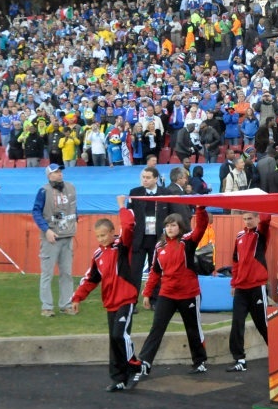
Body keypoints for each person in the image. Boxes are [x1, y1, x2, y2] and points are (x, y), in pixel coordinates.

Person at [128, 208, 210, 387]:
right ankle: (145, 363)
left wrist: (201, 209)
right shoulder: (159, 247)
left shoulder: (187, 241)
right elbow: (155, 272)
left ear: (180, 228)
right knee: (156, 328)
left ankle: (200, 362)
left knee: (193, 328)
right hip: (167, 293)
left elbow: (201, 227)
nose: (170, 229)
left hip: (189, 294)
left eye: (173, 225)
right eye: (167, 226)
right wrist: (147, 293)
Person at [71, 196, 141, 392]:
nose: (101, 239)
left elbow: (128, 225)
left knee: (121, 335)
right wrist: (77, 297)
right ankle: (118, 377)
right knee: (113, 340)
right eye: (98, 237)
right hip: (110, 302)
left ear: (112, 232)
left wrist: (121, 206)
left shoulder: (122, 245)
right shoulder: (98, 255)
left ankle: (135, 367)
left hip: (126, 299)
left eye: (104, 235)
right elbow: (91, 279)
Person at [32, 163, 78, 317]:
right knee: (47, 273)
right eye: (56, 172)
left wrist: (75, 221)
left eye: (60, 171)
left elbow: (73, 207)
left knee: (67, 273)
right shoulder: (43, 191)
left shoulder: (71, 187)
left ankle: (66, 304)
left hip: (67, 236)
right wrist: (46, 230)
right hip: (51, 237)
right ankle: (47, 306)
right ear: (49, 175)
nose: (59, 174)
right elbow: (36, 212)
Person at [227, 212, 271, 372]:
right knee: (236, 324)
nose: (247, 222)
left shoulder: (261, 233)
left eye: (250, 218)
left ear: (257, 218)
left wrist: (260, 205)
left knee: (263, 324)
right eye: (245, 219)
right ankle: (239, 359)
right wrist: (234, 283)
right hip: (240, 288)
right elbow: (235, 261)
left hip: (257, 287)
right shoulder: (239, 236)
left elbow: (266, 220)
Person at [127, 167, 172, 308]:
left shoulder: (166, 194)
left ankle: (154, 300)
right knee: (135, 271)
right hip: (139, 238)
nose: (145, 180)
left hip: (158, 238)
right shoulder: (135, 193)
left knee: (156, 270)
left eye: (148, 177)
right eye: (143, 177)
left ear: (156, 179)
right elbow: (130, 215)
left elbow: (171, 214)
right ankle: (131, 302)